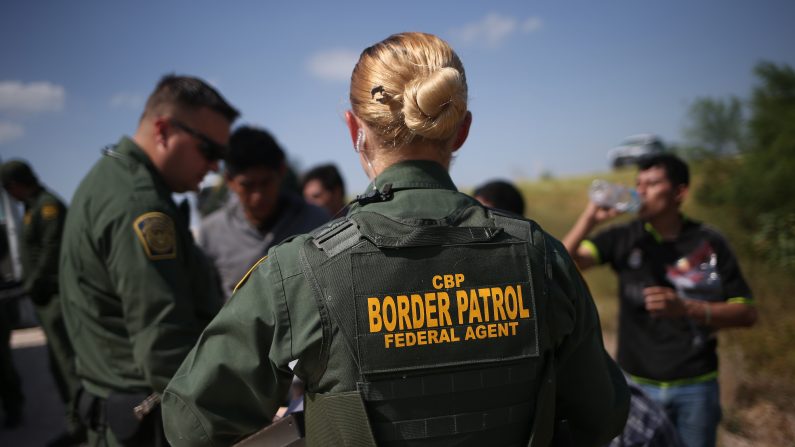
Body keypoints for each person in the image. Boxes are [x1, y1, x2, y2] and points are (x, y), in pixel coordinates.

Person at [162, 32, 628, 447]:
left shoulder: (298, 270)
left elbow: (191, 423)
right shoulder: (540, 255)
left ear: (353, 130)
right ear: (462, 130)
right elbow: (601, 417)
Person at [59, 74, 238, 447]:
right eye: (209, 151)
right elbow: (163, 343)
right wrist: (237, 414)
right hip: (145, 419)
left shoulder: (111, 180)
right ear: (163, 130)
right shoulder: (139, 204)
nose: (216, 169)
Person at [563, 153, 757, 447]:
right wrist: (590, 218)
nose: (640, 191)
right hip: (637, 387)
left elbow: (746, 312)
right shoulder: (625, 237)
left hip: (696, 387)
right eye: (638, 183)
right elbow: (563, 264)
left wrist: (687, 308)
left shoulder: (708, 241)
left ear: (680, 192)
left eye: (652, 183)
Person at [1, 160, 85, 445]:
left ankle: (84, 424)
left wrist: (33, 284)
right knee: (58, 364)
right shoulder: (32, 208)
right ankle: (76, 420)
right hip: (46, 299)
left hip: (56, 298)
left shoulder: (47, 206)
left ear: (14, 185)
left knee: (68, 363)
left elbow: (52, 249)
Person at [199, 126, 329, 300]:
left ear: (281, 172)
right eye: (247, 185)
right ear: (229, 180)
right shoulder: (211, 233)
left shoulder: (317, 222)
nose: (258, 196)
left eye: (266, 183)